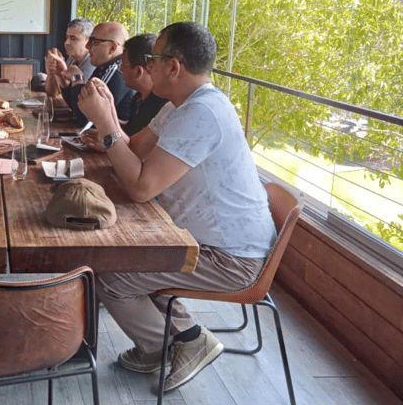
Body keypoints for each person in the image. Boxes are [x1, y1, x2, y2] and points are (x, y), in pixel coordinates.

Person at [77, 21, 277, 392]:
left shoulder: (202, 114)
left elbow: (139, 187)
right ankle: (174, 339)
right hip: (199, 239)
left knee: (112, 276)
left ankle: (175, 344)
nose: (146, 65)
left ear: (174, 67)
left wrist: (106, 124)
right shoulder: (180, 105)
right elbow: (134, 150)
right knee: (123, 256)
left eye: (153, 59)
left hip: (231, 258)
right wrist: (107, 113)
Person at [80, 33, 168, 151]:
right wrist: (107, 113)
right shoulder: (139, 97)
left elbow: (142, 151)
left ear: (138, 72)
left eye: (124, 65)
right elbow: (130, 129)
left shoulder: (162, 106)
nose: (120, 69)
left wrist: (108, 136)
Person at [47, 21, 134, 126]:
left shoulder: (117, 70)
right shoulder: (104, 66)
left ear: (113, 47)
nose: (87, 46)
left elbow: (88, 119)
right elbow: (78, 107)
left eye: (94, 41)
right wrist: (63, 79)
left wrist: (77, 78)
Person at [44, 18, 95, 98]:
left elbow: (80, 99)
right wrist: (51, 74)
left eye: (73, 39)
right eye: (67, 37)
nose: (67, 42)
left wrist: (63, 72)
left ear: (88, 41)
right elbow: (52, 93)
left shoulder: (92, 63)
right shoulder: (72, 59)